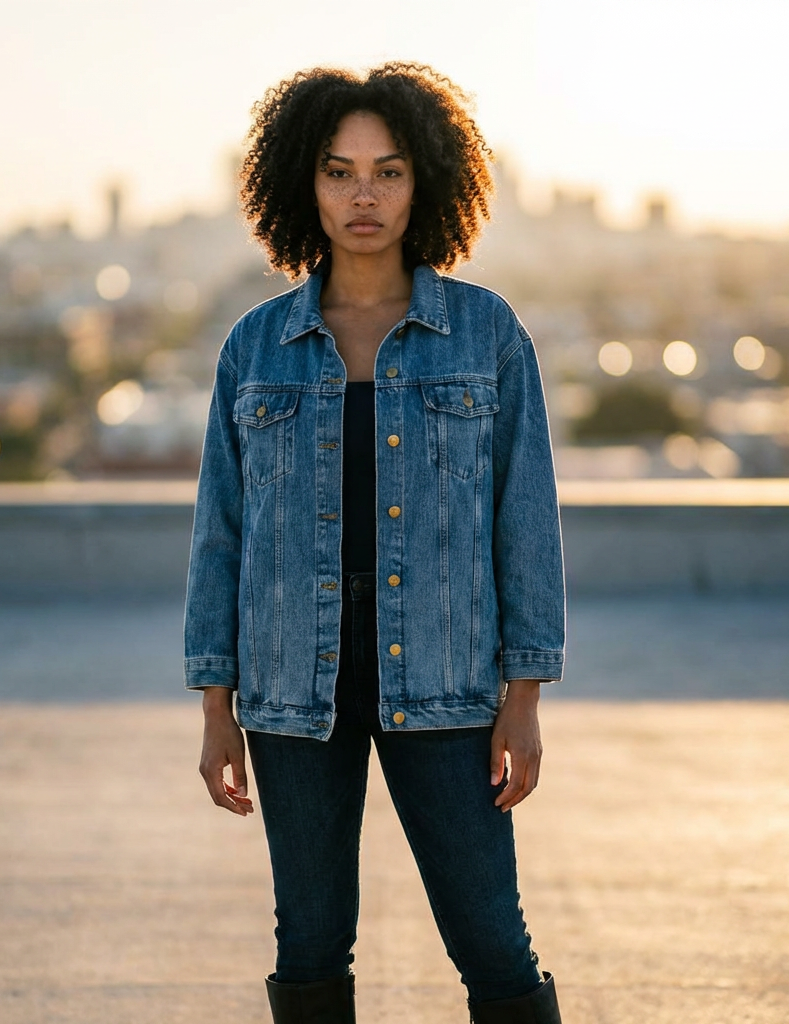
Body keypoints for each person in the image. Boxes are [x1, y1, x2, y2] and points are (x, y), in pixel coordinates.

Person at [184, 63, 565, 1024]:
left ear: (425, 181)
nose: (364, 195)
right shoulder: (254, 348)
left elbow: (525, 524)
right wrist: (216, 708)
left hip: (447, 680)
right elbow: (220, 536)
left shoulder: (486, 334)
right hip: (287, 690)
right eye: (339, 171)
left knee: (492, 941)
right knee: (309, 946)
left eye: (388, 172)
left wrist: (523, 700)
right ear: (300, 186)